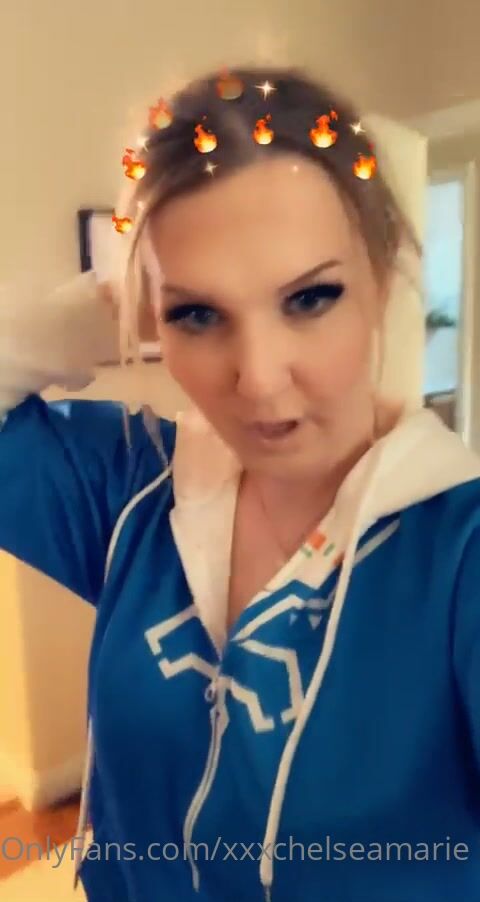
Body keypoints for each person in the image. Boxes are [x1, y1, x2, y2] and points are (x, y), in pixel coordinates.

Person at [1, 66, 480, 902]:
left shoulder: (461, 550)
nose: (258, 379)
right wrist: (103, 301)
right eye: (197, 314)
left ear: (381, 278)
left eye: (310, 298)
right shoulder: (133, 491)